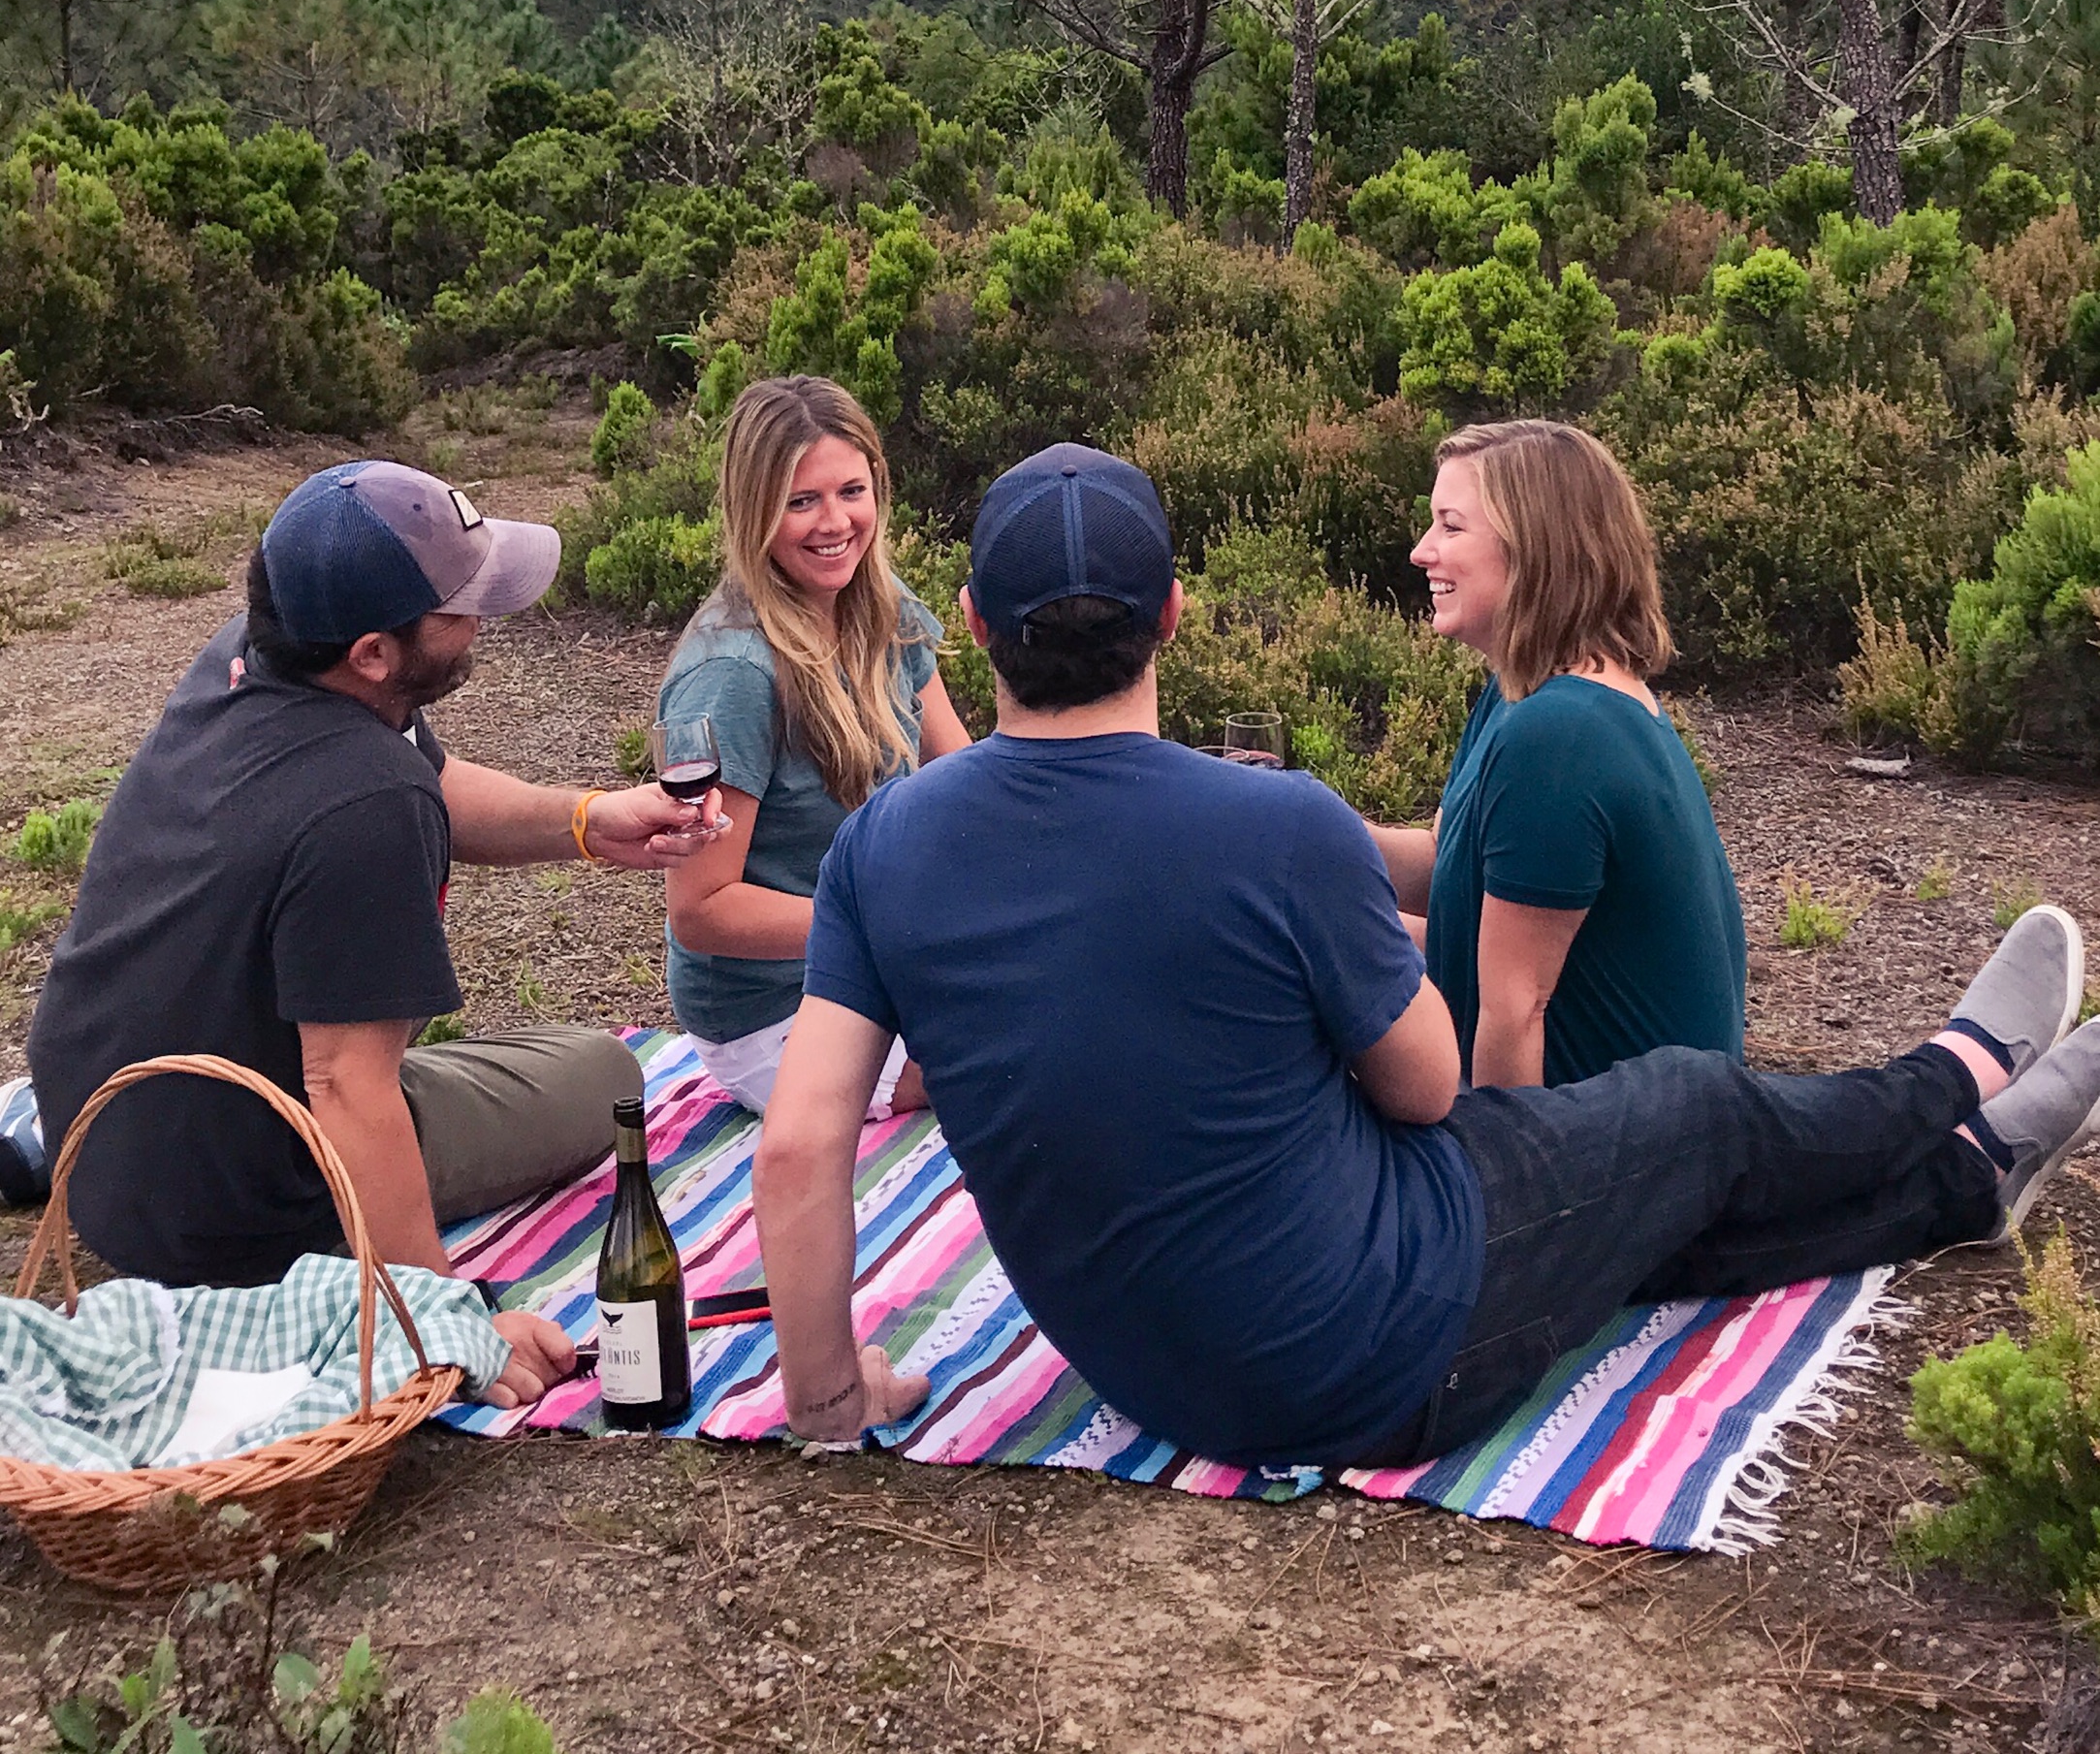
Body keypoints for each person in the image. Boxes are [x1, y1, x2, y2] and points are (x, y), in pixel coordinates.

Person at [753, 441, 2099, 1470]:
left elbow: (803, 1143)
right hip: (1379, 1351)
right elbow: (1425, 1088)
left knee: (1637, 1194)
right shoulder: (1275, 826)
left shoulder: (885, 845)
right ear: (1173, 614)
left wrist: (829, 1400)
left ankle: (1964, 1180)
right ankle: (1955, 1074)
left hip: (1146, 1374)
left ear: (976, 629)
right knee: (1689, 1106)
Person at [29, 460, 726, 1411]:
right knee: (605, 1075)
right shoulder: (362, 806)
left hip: (100, 1142)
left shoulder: (250, 659)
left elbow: (424, 776)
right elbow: (347, 1087)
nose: (484, 618)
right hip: (232, 1216)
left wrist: (586, 819)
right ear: (372, 653)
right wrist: (446, 1323)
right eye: (460, 605)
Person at [1373, 419, 1746, 1088]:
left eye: (1451, 526)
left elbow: (1513, 1013)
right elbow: (1445, 874)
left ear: (1536, 549)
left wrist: (1491, 1183)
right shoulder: (1527, 698)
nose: (1422, 552)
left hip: (1619, 1162)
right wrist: (1295, 830)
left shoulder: (1563, 736)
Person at [660, 375, 971, 1113]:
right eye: (801, 502)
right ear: (753, 511)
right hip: (778, 1011)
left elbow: (958, 776)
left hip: (883, 966)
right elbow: (701, 907)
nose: (835, 523)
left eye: (851, 491)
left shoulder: (880, 605)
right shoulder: (732, 673)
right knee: (1028, 1057)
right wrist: (884, 929)